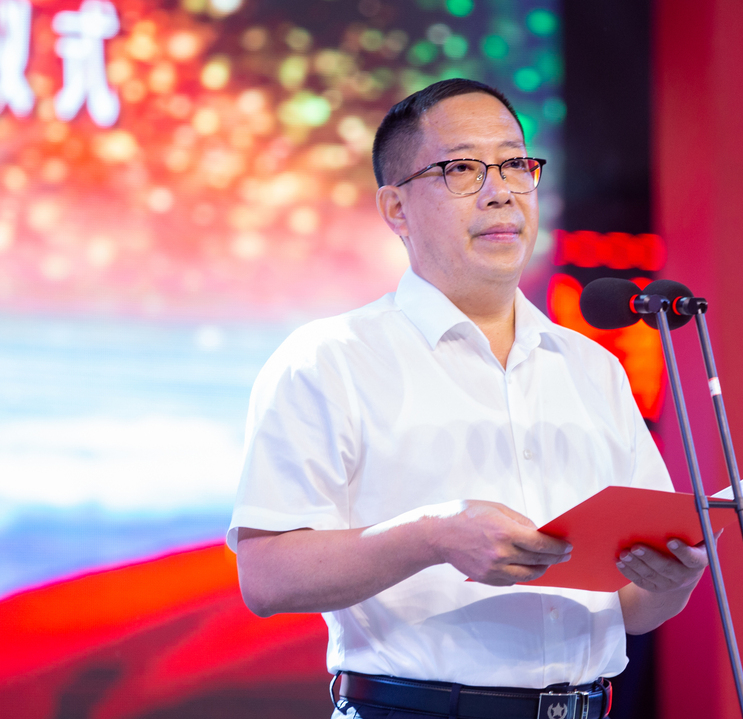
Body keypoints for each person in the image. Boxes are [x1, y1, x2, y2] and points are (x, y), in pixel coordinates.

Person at [227, 78, 709, 719]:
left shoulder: (593, 369)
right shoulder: (331, 358)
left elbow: (632, 608)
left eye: (515, 164)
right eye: (462, 169)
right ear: (396, 208)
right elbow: (266, 578)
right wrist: (432, 537)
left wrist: (674, 582)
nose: (500, 190)